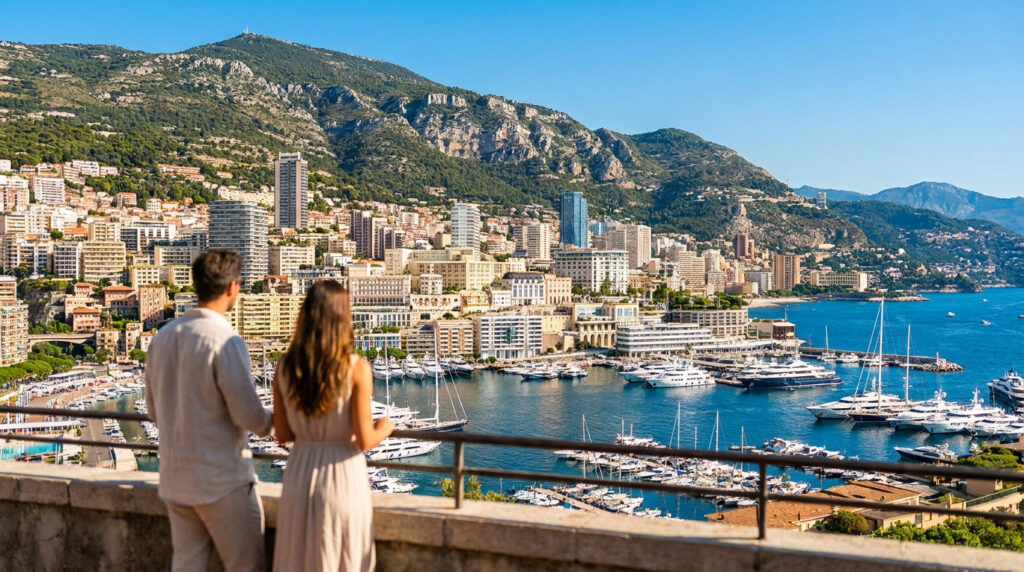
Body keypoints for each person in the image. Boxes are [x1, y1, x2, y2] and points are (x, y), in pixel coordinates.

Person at [145, 249, 272, 571]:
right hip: (222, 483)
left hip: (176, 479)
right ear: (232, 287)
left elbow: (153, 411)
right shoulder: (225, 340)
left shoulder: (162, 338)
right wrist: (282, 422)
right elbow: (250, 417)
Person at [272, 280, 394, 571]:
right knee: (344, 558)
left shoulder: (285, 367)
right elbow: (365, 439)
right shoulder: (356, 368)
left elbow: (283, 434)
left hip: (300, 472)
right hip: (341, 473)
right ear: (344, 317)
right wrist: (386, 427)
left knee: (298, 560)